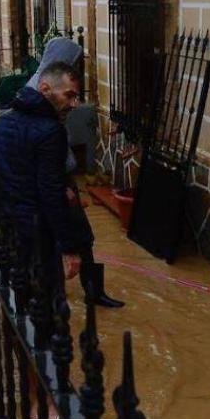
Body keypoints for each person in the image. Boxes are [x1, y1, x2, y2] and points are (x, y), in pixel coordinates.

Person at [26, 39, 124, 308]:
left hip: (60, 177)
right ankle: (58, 295)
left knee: (80, 235)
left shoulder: (52, 90)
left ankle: (90, 292)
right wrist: (62, 186)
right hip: (51, 179)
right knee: (57, 237)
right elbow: (44, 148)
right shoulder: (41, 94)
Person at [0, 60, 84, 314]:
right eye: (69, 95)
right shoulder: (51, 131)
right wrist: (69, 248)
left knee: (17, 304)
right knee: (47, 311)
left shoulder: (4, 122)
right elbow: (50, 193)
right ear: (45, 89)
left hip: (5, 230)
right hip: (37, 235)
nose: (74, 104)